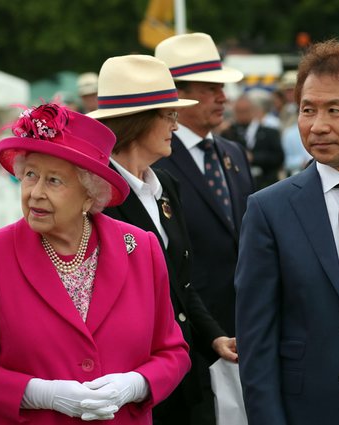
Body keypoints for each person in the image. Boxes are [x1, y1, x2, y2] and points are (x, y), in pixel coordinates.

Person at [0, 102, 190, 424]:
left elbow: (172, 352)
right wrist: (41, 393)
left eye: (54, 181)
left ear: (91, 195)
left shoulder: (141, 249)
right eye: (30, 175)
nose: (35, 193)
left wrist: (134, 385)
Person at [89, 54, 238, 425]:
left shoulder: (165, 186)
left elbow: (180, 281)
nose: (175, 124)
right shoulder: (96, 192)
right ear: (138, 121)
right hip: (131, 382)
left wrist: (213, 338)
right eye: (168, 115)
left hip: (185, 373)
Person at [235, 39, 339, 425]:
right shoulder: (270, 210)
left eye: (335, 110)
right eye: (307, 110)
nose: (317, 125)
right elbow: (257, 341)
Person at [154, 32, 254, 424]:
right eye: (211, 88)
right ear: (177, 93)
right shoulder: (156, 158)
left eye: (222, 88)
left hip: (241, 331)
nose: (223, 97)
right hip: (186, 341)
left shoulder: (231, 153)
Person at [221, 93, 284, 189]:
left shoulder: (270, 132)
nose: (242, 115)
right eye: (239, 111)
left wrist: (254, 157)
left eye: (245, 111)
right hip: (239, 186)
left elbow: (279, 157)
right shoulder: (228, 133)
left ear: (253, 110)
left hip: (267, 184)